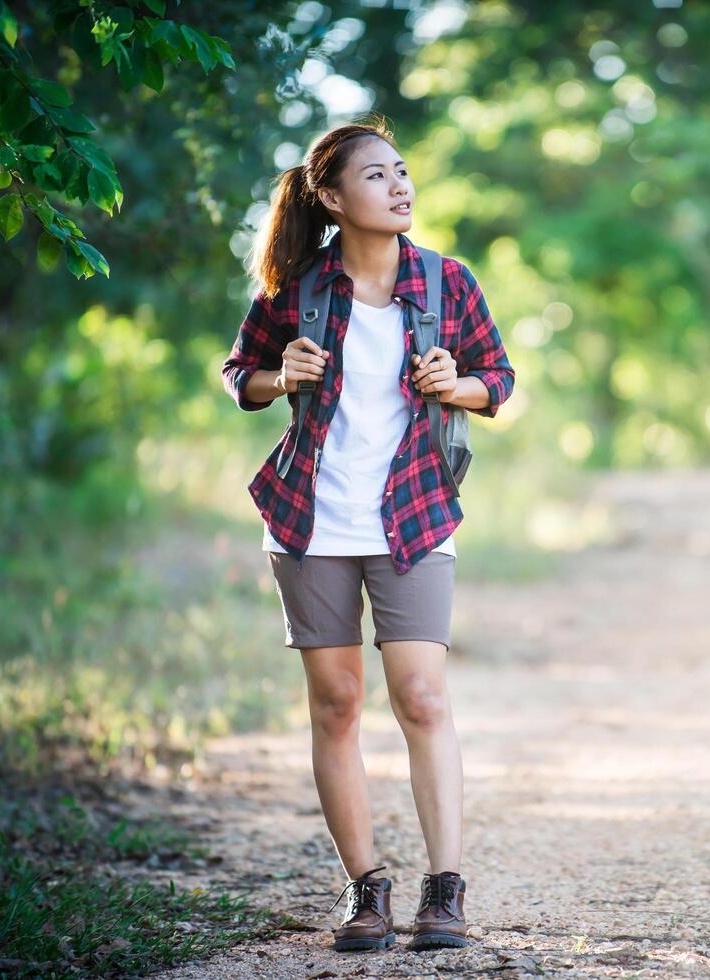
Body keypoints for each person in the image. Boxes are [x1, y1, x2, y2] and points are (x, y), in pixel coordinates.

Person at [219, 115, 515, 954]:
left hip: (414, 511)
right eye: (378, 176)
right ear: (331, 196)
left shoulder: (447, 281)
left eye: (402, 172)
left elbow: (500, 380)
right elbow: (240, 372)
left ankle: (444, 890)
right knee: (337, 705)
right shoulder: (297, 289)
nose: (399, 186)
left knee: (421, 696)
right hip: (312, 515)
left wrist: (459, 386)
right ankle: (365, 890)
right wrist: (281, 376)